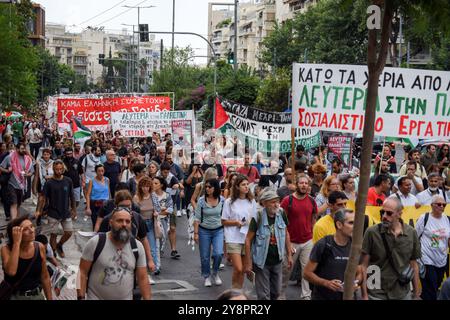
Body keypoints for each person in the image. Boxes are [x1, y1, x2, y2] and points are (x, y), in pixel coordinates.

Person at [77, 208, 151, 300]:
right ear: (110, 222)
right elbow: (82, 272)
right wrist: (81, 297)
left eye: (127, 221)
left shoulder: (137, 247)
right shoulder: (96, 243)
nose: (124, 224)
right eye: (120, 221)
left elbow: (143, 278)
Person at [361, 198, 421, 300]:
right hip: (376, 292)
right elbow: (363, 266)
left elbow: (414, 264)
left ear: (399, 214)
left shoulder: (411, 233)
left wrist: (416, 293)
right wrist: (364, 295)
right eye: (382, 212)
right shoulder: (371, 232)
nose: (384, 216)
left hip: (402, 292)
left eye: (389, 213)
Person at [244, 189, 293, 300]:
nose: (276, 204)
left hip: (278, 260)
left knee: (276, 292)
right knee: (263, 296)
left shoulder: (281, 213)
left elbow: (286, 233)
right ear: (264, 203)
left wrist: (289, 255)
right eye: (272, 202)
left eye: (277, 201)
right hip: (261, 262)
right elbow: (248, 240)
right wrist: (248, 262)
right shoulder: (258, 217)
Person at [304, 209, 362, 300]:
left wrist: (355, 283)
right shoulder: (323, 244)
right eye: (351, 223)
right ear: (339, 225)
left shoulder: (355, 246)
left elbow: (359, 273)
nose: (356, 227)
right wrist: (326, 283)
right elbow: (306, 273)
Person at [279, 173, 317, 300]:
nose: (304, 185)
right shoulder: (287, 201)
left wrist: (312, 235)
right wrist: (286, 242)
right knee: (286, 270)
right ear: (296, 185)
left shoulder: (312, 200)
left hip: (307, 241)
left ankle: (306, 295)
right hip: (292, 242)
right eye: (301, 183)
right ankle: (281, 293)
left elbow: (313, 219)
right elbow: (281, 222)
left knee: (306, 270)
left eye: (306, 183)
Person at [1, 215, 52, 300]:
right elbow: (11, 272)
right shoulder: (6, 249)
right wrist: (16, 243)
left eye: (31, 226)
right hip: (14, 296)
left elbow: (45, 277)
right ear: (16, 234)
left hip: (36, 296)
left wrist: (50, 298)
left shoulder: (39, 247)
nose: (32, 231)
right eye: (25, 229)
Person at [35, 160, 77, 258]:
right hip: (53, 212)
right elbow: (42, 198)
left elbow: (72, 196)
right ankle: (53, 252)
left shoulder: (68, 180)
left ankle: (60, 245)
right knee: (53, 234)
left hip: (65, 212)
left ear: (63, 169)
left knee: (69, 232)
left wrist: (74, 209)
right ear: (53, 169)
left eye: (60, 169)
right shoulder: (49, 183)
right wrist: (38, 210)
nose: (59, 171)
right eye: (57, 169)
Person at [221, 175, 257, 289]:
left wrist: (250, 222)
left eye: (247, 184)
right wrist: (236, 223)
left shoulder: (252, 201)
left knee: (243, 270)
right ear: (237, 187)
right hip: (232, 237)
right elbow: (223, 221)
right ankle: (234, 290)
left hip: (246, 238)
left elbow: (255, 219)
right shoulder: (229, 202)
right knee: (238, 268)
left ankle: (237, 292)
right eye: (243, 185)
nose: (246, 187)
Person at [415, 195, 450, 300]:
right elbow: (415, 236)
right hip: (426, 259)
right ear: (432, 205)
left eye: (444, 204)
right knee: (431, 288)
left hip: (442, 259)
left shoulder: (447, 219)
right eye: (439, 204)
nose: (441, 206)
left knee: (436, 285)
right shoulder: (424, 218)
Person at [194, 179, 225, 287]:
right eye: (206, 187)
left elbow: (225, 216)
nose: (207, 189)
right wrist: (196, 233)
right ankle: (206, 276)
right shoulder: (202, 201)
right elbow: (197, 218)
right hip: (204, 230)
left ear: (215, 188)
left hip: (218, 230)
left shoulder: (222, 200)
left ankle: (215, 273)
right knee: (205, 256)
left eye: (209, 187)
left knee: (218, 253)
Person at [133, 177, 161, 278]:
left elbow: (158, 208)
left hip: (151, 223)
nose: (146, 189)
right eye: (143, 186)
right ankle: (142, 270)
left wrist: (156, 213)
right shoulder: (136, 198)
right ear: (140, 187)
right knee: (141, 248)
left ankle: (151, 270)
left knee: (152, 248)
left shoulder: (153, 196)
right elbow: (134, 212)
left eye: (148, 186)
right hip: (141, 225)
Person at [0, 143, 34, 219]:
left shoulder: (27, 159)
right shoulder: (10, 157)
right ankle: (13, 222)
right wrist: (7, 171)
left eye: (24, 148)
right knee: (13, 203)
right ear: (17, 149)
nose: (24, 150)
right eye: (22, 149)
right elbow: (1, 167)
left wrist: (28, 174)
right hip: (11, 184)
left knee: (18, 204)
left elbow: (32, 171)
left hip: (22, 185)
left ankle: (16, 220)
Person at [159, 162, 181, 259]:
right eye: (164, 172)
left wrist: (177, 186)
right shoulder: (157, 178)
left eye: (167, 172)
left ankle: (173, 250)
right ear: (161, 171)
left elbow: (179, 185)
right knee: (161, 229)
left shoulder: (172, 177)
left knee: (172, 228)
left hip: (171, 205)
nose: (166, 174)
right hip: (159, 206)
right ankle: (159, 249)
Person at [152, 176, 174, 265]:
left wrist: (160, 211)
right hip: (153, 220)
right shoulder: (151, 195)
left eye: (156, 183)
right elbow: (152, 210)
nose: (153, 185)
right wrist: (162, 209)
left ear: (161, 185)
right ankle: (155, 261)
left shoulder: (167, 195)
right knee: (153, 239)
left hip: (163, 220)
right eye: (152, 183)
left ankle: (159, 254)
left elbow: (170, 209)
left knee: (162, 238)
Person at [85, 164, 110, 228]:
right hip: (95, 205)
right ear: (96, 172)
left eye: (102, 171)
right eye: (99, 171)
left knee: (105, 224)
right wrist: (88, 208)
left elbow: (108, 193)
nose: (101, 173)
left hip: (105, 204)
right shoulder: (92, 181)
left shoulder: (107, 180)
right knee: (95, 223)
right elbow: (88, 195)